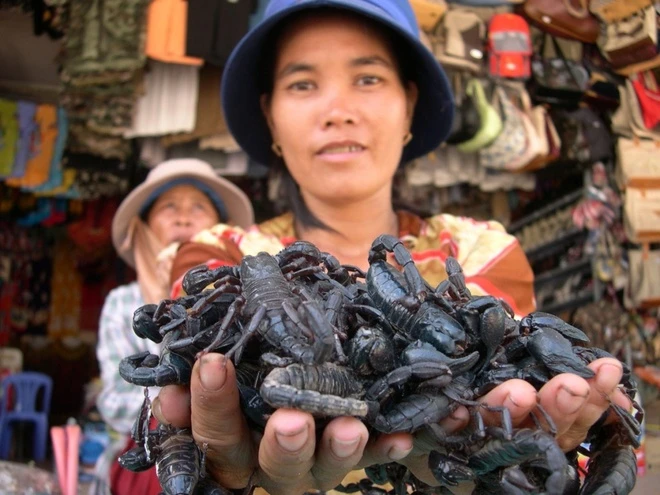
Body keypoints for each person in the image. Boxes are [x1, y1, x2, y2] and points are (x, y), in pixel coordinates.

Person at [153, 1, 635, 494]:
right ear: (269, 116)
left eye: (368, 79)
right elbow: (190, 363)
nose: (338, 112)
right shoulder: (220, 252)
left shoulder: (477, 247)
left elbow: (497, 372)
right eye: (302, 84)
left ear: (408, 104)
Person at [94, 158, 254, 494]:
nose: (183, 216)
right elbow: (113, 401)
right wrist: (195, 401)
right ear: (146, 225)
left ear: (219, 227)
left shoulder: (243, 296)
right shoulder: (124, 302)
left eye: (199, 206)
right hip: (155, 463)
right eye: (168, 206)